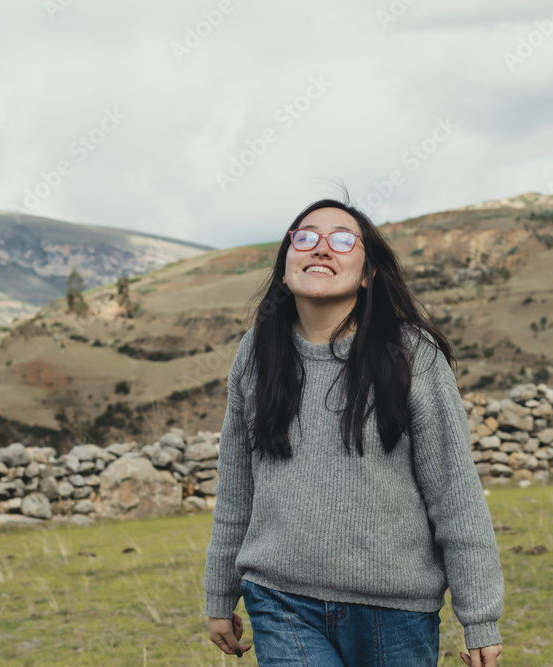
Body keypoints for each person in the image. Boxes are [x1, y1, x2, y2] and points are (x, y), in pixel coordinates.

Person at [203, 195, 504, 666]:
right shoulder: (256, 354)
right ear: (285, 266)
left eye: (343, 240)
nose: (321, 248)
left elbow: (454, 492)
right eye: (305, 237)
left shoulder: (413, 356)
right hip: (281, 602)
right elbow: (237, 487)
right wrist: (219, 592)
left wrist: (480, 617)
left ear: (368, 273)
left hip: (395, 614)